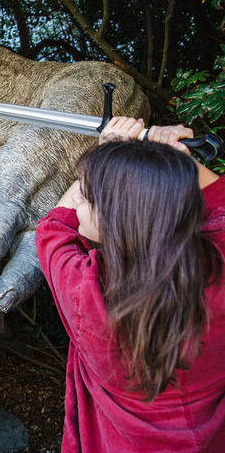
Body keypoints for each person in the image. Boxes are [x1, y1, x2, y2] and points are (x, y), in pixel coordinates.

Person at [36, 117, 225, 452]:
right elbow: (218, 196)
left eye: (87, 191)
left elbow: (54, 228)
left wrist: (108, 149)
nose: (78, 198)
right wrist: (175, 157)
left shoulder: (86, 289)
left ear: (117, 216)